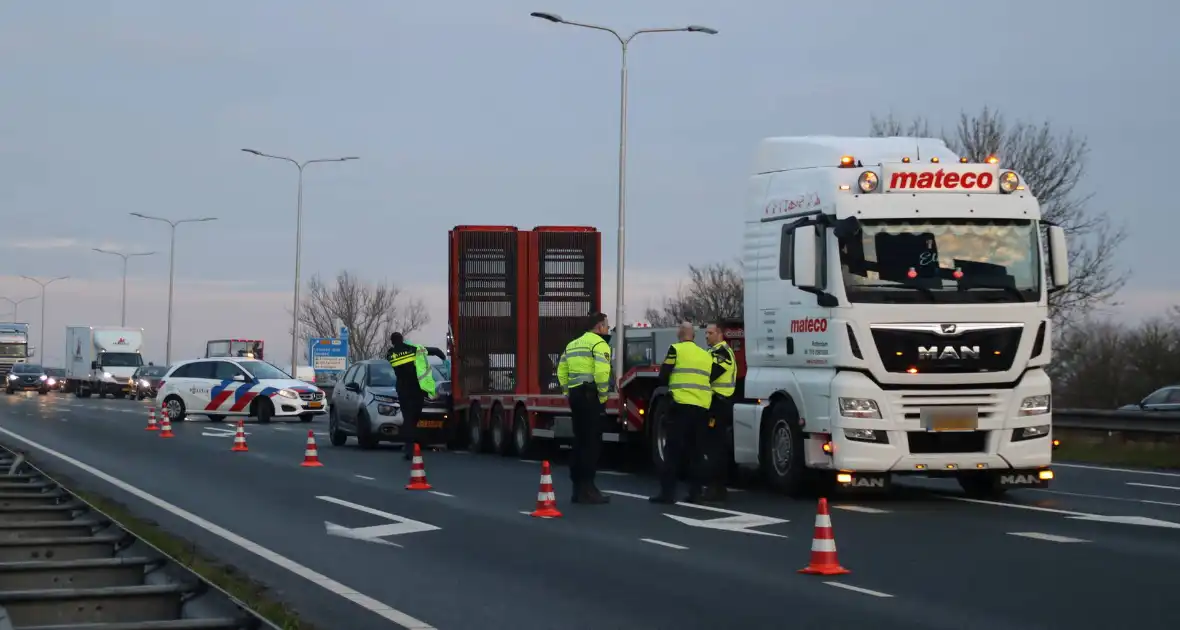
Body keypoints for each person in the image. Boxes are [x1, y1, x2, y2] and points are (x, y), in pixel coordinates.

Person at [649, 322, 726, 504]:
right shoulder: (705, 354)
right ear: (694, 336)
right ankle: (696, 493)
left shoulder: (675, 350)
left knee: (672, 451)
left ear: (680, 334)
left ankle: (667, 494)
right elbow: (713, 374)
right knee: (696, 452)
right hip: (701, 407)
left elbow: (663, 375)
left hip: (680, 406)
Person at [556, 312, 613, 504]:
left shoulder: (573, 344)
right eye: (605, 325)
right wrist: (603, 396)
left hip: (576, 396)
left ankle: (577, 489)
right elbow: (602, 372)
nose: (607, 328)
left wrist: (567, 391)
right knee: (591, 444)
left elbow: (561, 368)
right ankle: (589, 488)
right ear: (598, 327)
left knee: (579, 442)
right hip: (591, 396)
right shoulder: (599, 344)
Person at [702, 321, 737, 503]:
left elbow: (711, 374)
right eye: (706, 333)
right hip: (713, 403)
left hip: (720, 404)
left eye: (710, 333)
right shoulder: (711, 352)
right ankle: (715, 486)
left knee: (716, 447)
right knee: (712, 446)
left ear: (720, 334)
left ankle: (717, 487)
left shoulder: (723, 353)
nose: (706, 336)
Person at [387, 332, 436, 460]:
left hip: (403, 390)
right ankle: (410, 445)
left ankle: (409, 446)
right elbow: (429, 351)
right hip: (416, 389)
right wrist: (439, 353)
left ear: (392, 341)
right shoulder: (413, 349)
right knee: (414, 417)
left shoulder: (390, 354)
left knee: (408, 418)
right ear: (402, 339)